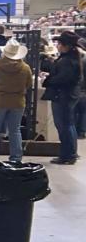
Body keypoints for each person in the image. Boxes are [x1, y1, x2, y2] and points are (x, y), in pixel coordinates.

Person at [0, 39, 32, 163]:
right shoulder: (26, 68)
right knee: (15, 131)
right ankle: (16, 158)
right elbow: (29, 84)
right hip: (18, 102)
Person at [41, 31, 84, 164]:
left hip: (63, 95)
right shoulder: (72, 58)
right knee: (68, 124)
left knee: (63, 125)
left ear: (66, 46)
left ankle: (68, 155)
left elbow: (63, 78)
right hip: (68, 95)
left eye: (59, 43)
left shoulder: (67, 61)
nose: (57, 46)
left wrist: (48, 80)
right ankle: (70, 153)